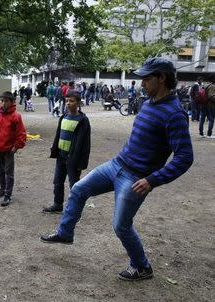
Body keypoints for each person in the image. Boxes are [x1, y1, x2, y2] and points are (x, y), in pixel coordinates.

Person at [40, 57, 194, 281]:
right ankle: (65, 233)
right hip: (116, 164)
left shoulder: (174, 114)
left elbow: (185, 157)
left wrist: (152, 180)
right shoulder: (148, 102)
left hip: (135, 178)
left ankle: (142, 267)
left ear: (161, 78)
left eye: (147, 78)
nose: (142, 83)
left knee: (121, 226)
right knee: (79, 189)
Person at [42, 90, 91, 214]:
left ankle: (75, 209)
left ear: (78, 103)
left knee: (74, 185)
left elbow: (85, 145)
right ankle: (58, 204)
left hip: (73, 159)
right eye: (67, 101)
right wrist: (54, 148)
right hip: (61, 156)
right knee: (58, 182)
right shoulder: (64, 117)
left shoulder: (83, 120)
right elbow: (58, 134)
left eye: (72, 101)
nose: (68, 103)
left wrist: (81, 163)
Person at [0, 91, 26, 207]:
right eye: (2, 100)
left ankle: (8, 195)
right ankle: (2, 189)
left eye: (6, 101)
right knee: (1, 170)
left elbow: (21, 134)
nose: (3, 103)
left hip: (9, 150)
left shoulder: (16, 116)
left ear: (12, 102)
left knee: (9, 172)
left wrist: (17, 146)